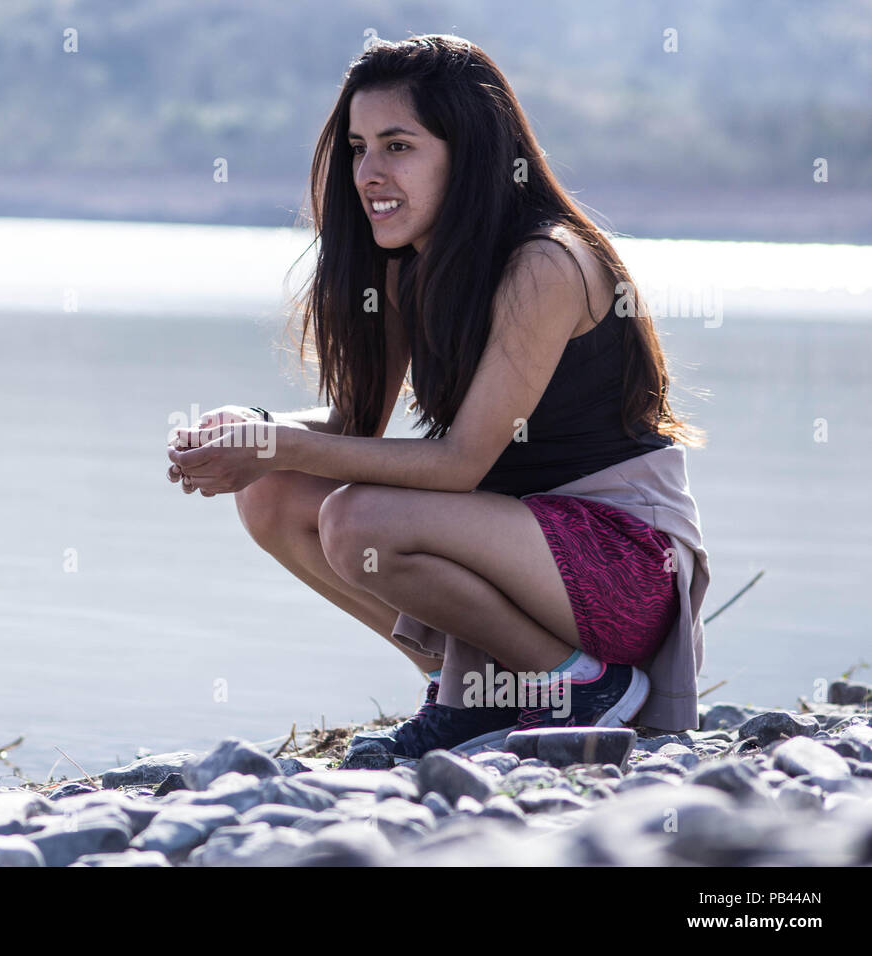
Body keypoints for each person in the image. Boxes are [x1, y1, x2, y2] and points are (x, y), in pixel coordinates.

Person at [166, 34, 711, 759]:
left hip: (621, 564)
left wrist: (281, 442)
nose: (368, 173)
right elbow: (354, 429)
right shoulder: (404, 270)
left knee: (361, 517)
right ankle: (469, 687)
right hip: (515, 541)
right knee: (274, 491)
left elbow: (458, 463)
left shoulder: (546, 262)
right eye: (358, 148)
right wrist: (254, 432)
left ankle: (581, 686)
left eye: (398, 146)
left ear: (470, 151)